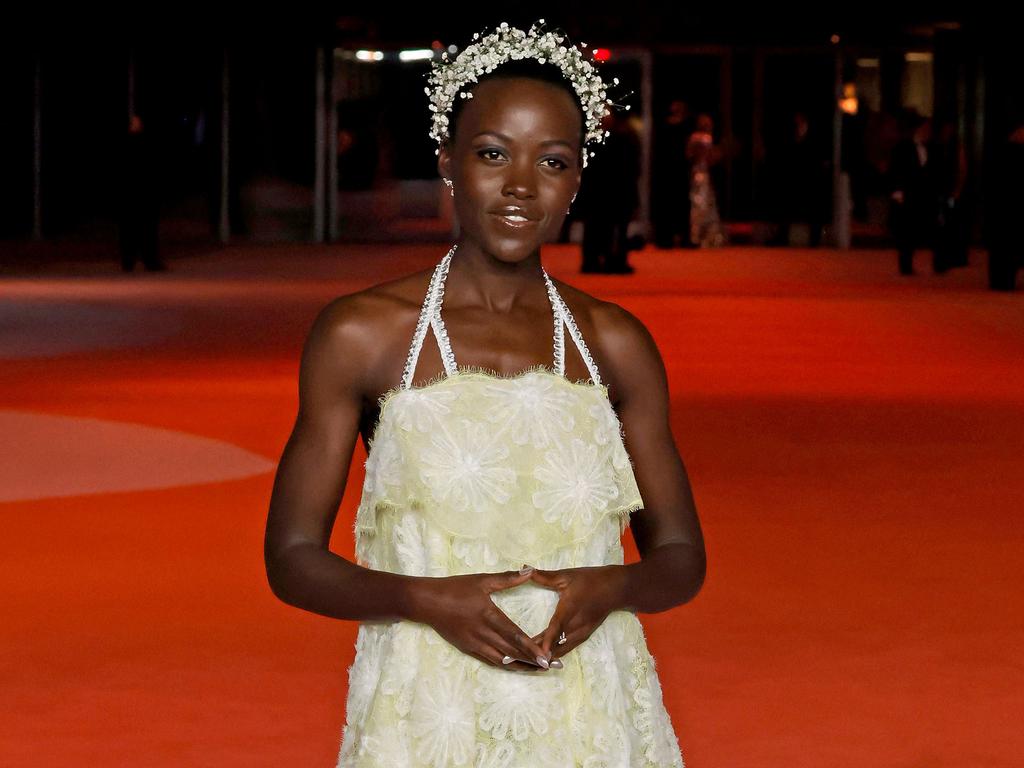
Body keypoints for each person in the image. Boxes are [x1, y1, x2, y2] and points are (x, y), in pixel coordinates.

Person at [264, 20, 705, 766]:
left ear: (576, 178)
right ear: (448, 161)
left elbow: (683, 557)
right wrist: (423, 600)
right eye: (494, 153)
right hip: (427, 710)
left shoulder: (615, 344)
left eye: (554, 161)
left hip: (589, 708)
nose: (521, 187)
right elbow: (292, 556)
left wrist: (614, 586)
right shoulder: (362, 335)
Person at [577, 109, 641, 273]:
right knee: (596, 227)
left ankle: (612, 259)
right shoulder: (599, 141)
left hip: (615, 191)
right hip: (600, 191)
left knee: (612, 227)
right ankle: (595, 260)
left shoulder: (620, 139)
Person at [887, 112, 941, 276]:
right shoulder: (902, 147)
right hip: (908, 195)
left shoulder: (933, 148)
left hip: (925, 195)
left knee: (931, 229)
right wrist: (897, 191)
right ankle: (906, 265)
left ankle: (939, 264)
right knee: (907, 233)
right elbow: (895, 170)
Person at [118, 113, 166, 272]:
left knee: (144, 230)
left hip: (142, 195)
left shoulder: (144, 145)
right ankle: (131, 260)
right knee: (133, 230)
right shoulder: (131, 145)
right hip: (134, 195)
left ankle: (144, 260)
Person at [686, 113, 728, 247]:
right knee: (700, 205)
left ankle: (700, 236)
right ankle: (699, 236)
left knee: (704, 205)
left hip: (701, 174)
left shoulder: (696, 138)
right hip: (700, 175)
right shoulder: (702, 138)